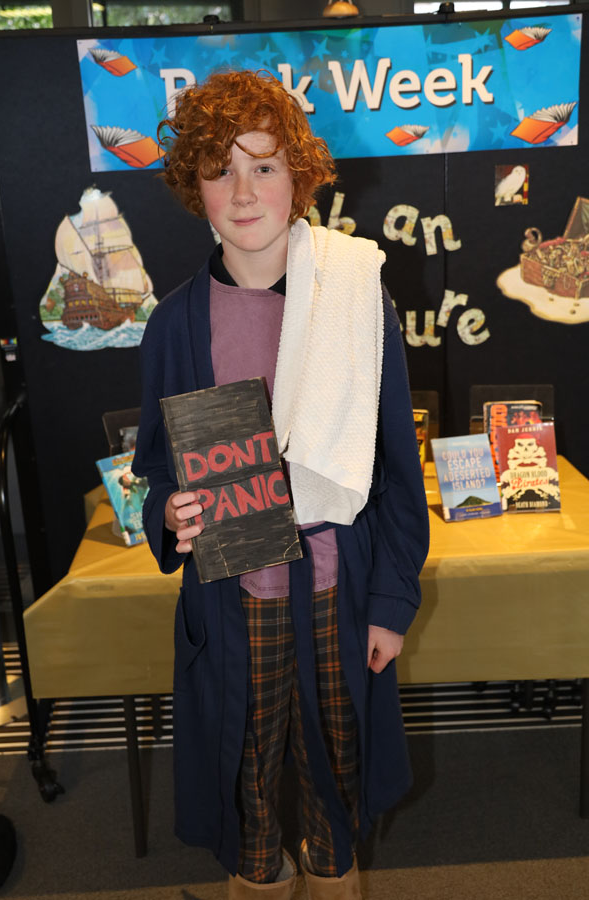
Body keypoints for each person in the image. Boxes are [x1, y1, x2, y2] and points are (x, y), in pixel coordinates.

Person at [132, 69, 429, 900]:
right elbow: (158, 469)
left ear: (297, 177)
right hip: (235, 595)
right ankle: (258, 878)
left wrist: (390, 603)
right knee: (247, 782)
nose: (243, 191)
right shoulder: (176, 323)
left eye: (263, 166)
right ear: (193, 184)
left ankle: (334, 877)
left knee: (337, 772)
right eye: (220, 169)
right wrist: (170, 513)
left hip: (337, 589)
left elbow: (396, 468)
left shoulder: (355, 300)